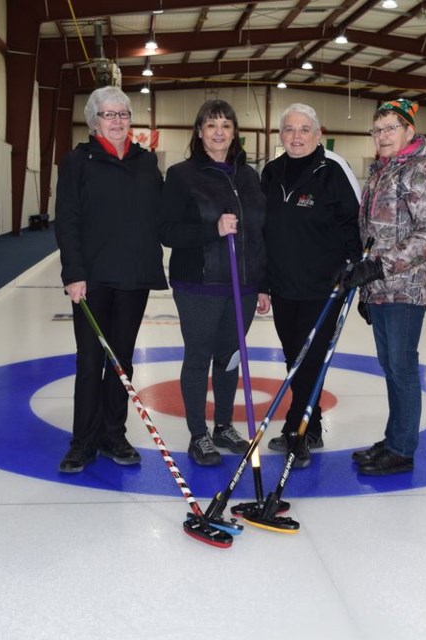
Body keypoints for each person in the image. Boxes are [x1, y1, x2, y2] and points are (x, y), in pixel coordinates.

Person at [54, 86, 168, 473]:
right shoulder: (77, 162)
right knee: (90, 362)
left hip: (133, 278)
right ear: (93, 121)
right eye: (109, 115)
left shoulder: (145, 163)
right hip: (93, 279)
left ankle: (112, 434)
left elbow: (164, 215)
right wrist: (73, 273)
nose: (118, 121)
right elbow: (67, 221)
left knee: (122, 363)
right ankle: (82, 441)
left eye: (123, 114)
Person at [339, 98, 426, 475]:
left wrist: (377, 268)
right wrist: (369, 284)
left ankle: (402, 449)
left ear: (408, 131)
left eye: (390, 128)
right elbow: (375, 233)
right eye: (377, 129)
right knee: (390, 366)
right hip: (384, 287)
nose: (382, 135)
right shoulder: (383, 170)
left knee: (401, 368)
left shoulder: (422, 172)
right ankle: (393, 438)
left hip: (406, 288)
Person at [159, 99, 270, 466]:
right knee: (199, 356)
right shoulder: (181, 175)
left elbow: (260, 232)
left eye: (226, 124)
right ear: (199, 132)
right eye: (211, 125)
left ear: (235, 132)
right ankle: (198, 434)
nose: (219, 131)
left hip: (243, 285)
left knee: (229, 357)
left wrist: (263, 281)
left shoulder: (249, 176)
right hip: (200, 284)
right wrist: (212, 229)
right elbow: (167, 230)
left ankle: (223, 425)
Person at [261, 103, 362, 468]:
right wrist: (262, 281)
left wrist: (351, 268)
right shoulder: (271, 173)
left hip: (323, 288)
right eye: (289, 129)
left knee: (309, 361)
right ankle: (312, 425)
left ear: (318, 134)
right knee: (294, 359)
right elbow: (261, 230)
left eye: (304, 129)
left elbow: (355, 224)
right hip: (284, 286)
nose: (296, 136)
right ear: (281, 135)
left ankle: (298, 433)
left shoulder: (334, 170)